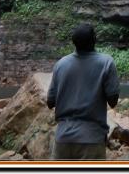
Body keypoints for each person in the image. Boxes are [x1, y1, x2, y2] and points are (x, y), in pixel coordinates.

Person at [47, 23, 120, 160]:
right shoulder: (106, 63)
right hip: (92, 140)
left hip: (63, 139)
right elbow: (113, 101)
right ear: (94, 39)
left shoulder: (61, 64)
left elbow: (50, 102)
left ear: (74, 42)